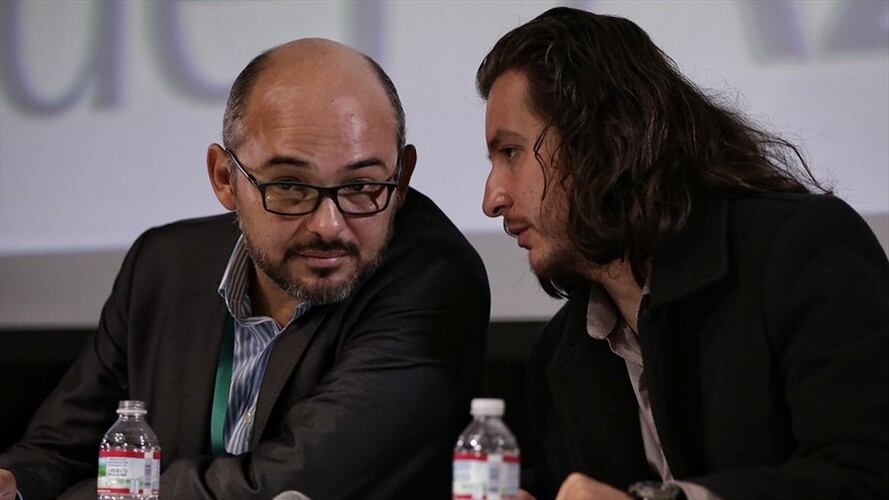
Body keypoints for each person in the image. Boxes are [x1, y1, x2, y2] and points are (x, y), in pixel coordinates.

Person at [0, 38, 490, 499]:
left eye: (362, 186)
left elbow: (289, 484)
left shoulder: (436, 281)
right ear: (224, 177)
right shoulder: (163, 265)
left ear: (401, 179)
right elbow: (56, 450)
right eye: (291, 186)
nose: (329, 224)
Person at [477, 7, 888, 500]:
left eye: (511, 153)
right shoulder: (560, 358)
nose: (491, 198)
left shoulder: (800, 248)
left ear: (601, 138)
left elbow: (868, 473)